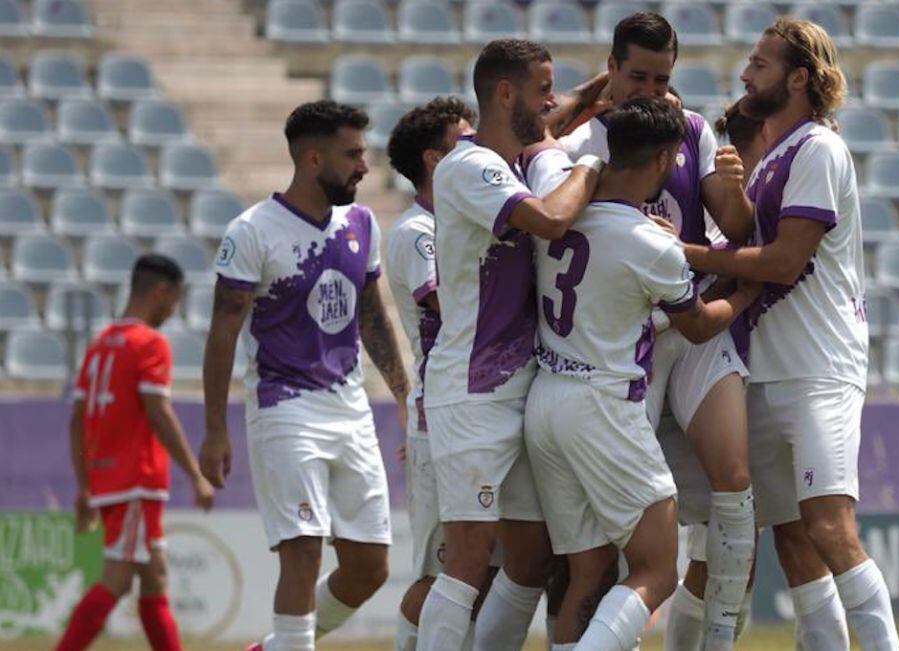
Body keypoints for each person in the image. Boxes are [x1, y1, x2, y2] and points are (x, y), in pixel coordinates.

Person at [682, 18, 899, 651]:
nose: (746, 73)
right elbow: (749, 248)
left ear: (798, 77)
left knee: (830, 528)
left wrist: (687, 254)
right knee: (792, 536)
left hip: (817, 367)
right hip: (765, 368)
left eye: (760, 63)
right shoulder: (773, 156)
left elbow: (781, 262)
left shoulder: (819, 149)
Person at [525, 96, 761, 651]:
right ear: (663, 162)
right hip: (603, 405)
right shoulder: (651, 242)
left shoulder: (558, 208)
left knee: (587, 573)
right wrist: (746, 291)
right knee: (657, 570)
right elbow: (699, 327)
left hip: (545, 402)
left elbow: (541, 137)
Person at [199, 100, 411, 651]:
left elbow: (372, 317)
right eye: (353, 154)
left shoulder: (361, 223)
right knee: (304, 549)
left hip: (349, 406)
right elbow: (223, 332)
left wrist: (406, 394)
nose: (365, 166)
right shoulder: (252, 231)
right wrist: (216, 429)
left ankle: (275, 646)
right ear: (313, 158)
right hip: (284, 406)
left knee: (369, 568)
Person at [415, 38, 604, 651]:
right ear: (504, 93)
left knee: (530, 559)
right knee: (468, 559)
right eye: (541, 86)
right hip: (471, 390)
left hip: (517, 386)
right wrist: (592, 163)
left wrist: (603, 87)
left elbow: (554, 115)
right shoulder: (470, 167)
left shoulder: (509, 156)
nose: (551, 100)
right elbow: (551, 220)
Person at [56, 254, 215, 651]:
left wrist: (85, 486)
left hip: (110, 480)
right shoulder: (149, 343)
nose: (172, 312)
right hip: (135, 480)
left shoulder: (99, 346)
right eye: (173, 301)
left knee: (153, 577)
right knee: (118, 577)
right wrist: (195, 474)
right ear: (160, 292)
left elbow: (77, 420)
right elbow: (158, 412)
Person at [664, 97, 766, 651]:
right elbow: (716, 270)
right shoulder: (709, 222)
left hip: (717, 374)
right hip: (686, 361)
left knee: (725, 556)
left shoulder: (742, 215)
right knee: (693, 559)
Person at [384, 96, 480, 651]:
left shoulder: (452, 223)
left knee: (476, 567)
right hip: (440, 414)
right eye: (462, 143)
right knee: (441, 569)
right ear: (433, 161)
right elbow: (453, 306)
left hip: (467, 410)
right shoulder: (418, 231)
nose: (474, 152)